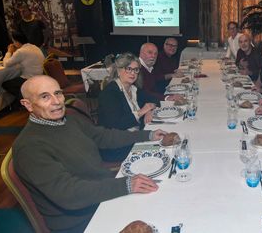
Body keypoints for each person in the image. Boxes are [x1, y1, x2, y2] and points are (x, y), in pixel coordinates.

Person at [13, 75, 166, 232]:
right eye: (45, 96)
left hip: (101, 196)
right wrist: (125, 184)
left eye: (58, 93)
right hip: (81, 221)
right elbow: (68, 194)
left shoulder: (68, 121)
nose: (57, 101)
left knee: (163, 202)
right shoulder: (29, 147)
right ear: (28, 105)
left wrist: (147, 135)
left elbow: (105, 137)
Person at [98, 53, 158, 161]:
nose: (133, 73)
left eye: (136, 70)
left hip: (134, 136)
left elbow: (154, 99)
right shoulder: (110, 93)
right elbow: (116, 125)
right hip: (117, 145)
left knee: (163, 139)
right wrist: (142, 111)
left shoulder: (133, 89)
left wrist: (149, 111)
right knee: (159, 147)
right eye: (128, 69)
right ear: (118, 70)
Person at [2, 31, 45, 102]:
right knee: (16, 81)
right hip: (40, 76)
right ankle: (27, 98)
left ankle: (25, 100)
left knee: (6, 84)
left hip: (29, 78)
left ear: (17, 42)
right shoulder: (35, 47)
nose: (13, 44)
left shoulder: (21, 51)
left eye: (13, 41)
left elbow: (6, 64)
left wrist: (9, 51)